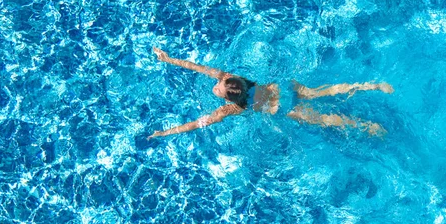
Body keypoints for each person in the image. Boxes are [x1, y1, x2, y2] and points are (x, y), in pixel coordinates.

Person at [148, 47, 394, 139]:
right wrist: (168, 59)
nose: (215, 86)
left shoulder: (231, 108)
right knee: (325, 91)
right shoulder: (230, 77)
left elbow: (196, 124)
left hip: (285, 108)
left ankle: (367, 127)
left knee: (324, 120)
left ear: (227, 98)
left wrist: (165, 132)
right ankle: (371, 85)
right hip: (285, 88)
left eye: (218, 90)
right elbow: (197, 67)